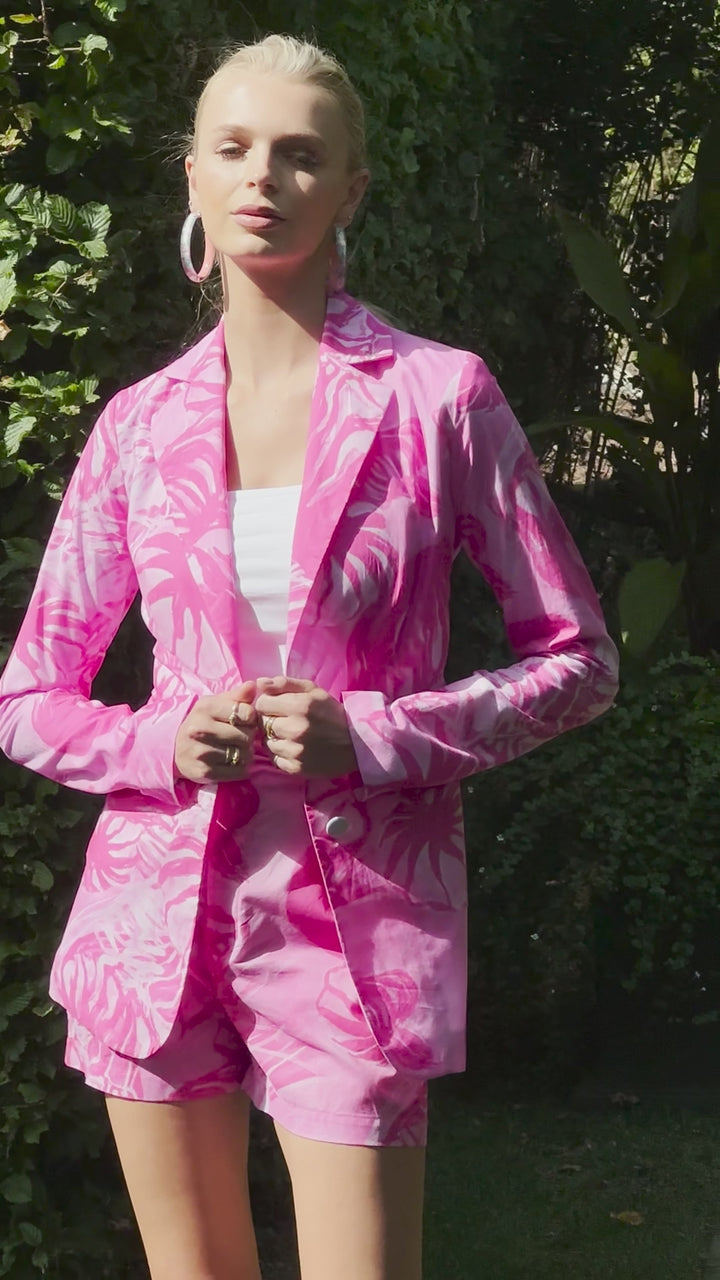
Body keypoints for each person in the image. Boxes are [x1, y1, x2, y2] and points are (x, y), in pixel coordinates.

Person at [0, 33, 619, 1280]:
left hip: (360, 935)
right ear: (190, 178)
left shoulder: (442, 399)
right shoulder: (138, 426)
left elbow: (578, 659)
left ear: (353, 190)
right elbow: (27, 697)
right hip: (150, 928)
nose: (262, 177)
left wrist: (374, 730)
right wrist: (157, 739)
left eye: (299, 154)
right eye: (232, 149)